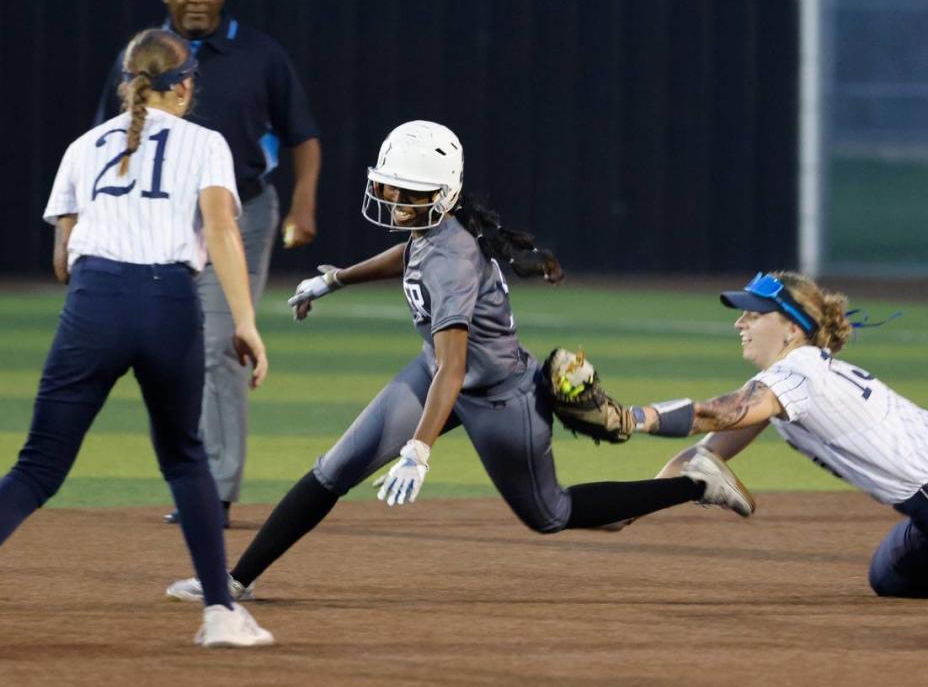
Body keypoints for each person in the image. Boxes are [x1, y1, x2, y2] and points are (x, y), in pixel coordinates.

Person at [165, 119, 754, 603]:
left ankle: (692, 484)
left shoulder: (452, 260)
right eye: (390, 187)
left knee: (550, 513)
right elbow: (408, 253)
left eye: (404, 191)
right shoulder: (437, 225)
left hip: (500, 397)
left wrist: (419, 450)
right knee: (333, 469)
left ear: (437, 196)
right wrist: (336, 280)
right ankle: (233, 580)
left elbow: (455, 367)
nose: (391, 198)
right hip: (438, 375)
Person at [0, 28, 273, 646]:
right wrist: (246, 322)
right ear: (182, 87)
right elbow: (223, 231)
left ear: (128, 83)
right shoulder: (205, 143)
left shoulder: (81, 147)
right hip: (167, 303)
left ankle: (222, 613)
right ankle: (221, 616)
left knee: (38, 467)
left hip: (93, 305)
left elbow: (63, 260)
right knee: (184, 458)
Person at [95, 0, 321, 527]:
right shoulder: (142, 55)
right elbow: (108, 137)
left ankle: (213, 493)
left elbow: (303, 135)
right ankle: (193, 477)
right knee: (170, 348)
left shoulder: (260, 54)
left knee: (221, 344)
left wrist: (303, 204)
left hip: (241, 214)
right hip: (165, 217)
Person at [629, 271, 928, 599]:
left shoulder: (796, 374)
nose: (739, 323)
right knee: (889, 577)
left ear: (792, 327)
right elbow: (705, 454)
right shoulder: (787, 379)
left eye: (755, 315)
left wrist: (634, 419)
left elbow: (715, 414)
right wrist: (632, 508)